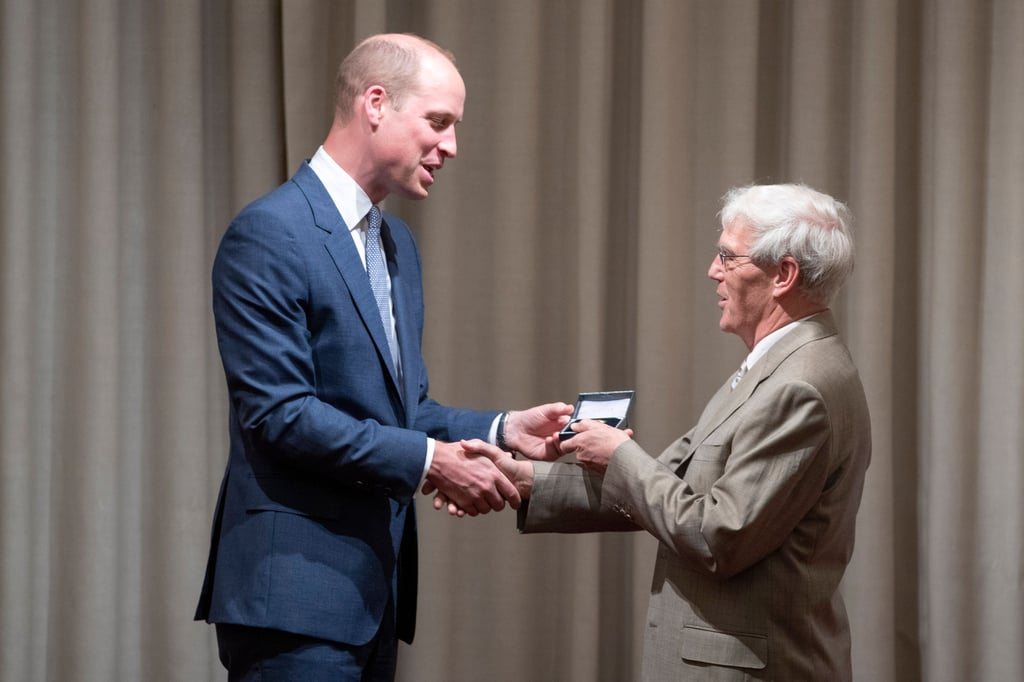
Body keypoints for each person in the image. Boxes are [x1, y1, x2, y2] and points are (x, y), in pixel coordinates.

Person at [194, 33, 571, 680]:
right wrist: (432, 464)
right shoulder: (271, 233)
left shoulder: (395, 243)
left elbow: (401, 411)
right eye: (438, 122)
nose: (451, 146)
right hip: (291, 602)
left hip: (375, 599)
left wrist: (502, 430)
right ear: (375, 103)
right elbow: (280, 416)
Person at [458, 183, 872, 680]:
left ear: (783, 275)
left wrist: (617, 457)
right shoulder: (781, 366)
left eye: (727, 256)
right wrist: (525, 479)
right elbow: (673, 483)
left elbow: (719, 536)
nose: (712, 271)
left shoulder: (800, 384)